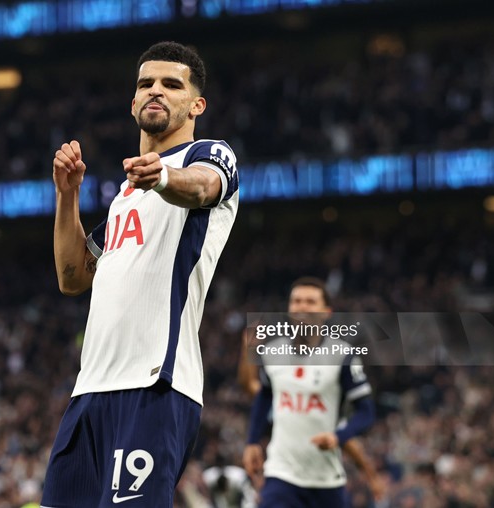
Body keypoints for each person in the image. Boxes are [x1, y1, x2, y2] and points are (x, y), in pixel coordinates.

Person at [42, 41, 239, 507]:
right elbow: (73, 276)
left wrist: (164, 177)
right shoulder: (123, 199)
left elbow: (203, 187)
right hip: (90, 390)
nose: (156, 91)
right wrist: (67, 197)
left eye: (171, 84)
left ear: (197, 105)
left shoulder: (208, 154)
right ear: (133, 103)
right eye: (146, 84)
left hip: (155, 385)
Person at [242, 277, 376, 507]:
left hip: (326, 479)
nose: (302, 306)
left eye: (310, 302)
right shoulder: (273, 352)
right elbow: (265, 395)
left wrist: (338, 437)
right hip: (281, 474)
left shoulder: (342, 356)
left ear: (326, 312)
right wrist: (252, 441)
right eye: (296, 301)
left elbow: (366, 412)